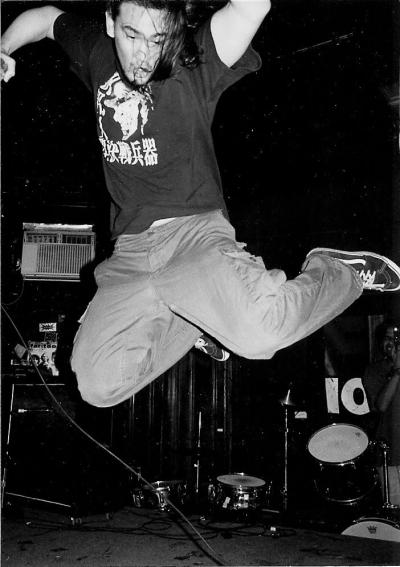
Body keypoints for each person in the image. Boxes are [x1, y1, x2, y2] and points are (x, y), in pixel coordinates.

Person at [2, 0, 400, 409]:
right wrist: (4, 47)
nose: (143, 55)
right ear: (110, 23)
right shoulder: (94, 50)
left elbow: (250, 9)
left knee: (261, 335)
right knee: (97, 385)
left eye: (158, 39)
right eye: (132, 35)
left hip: (193, 239)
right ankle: (193, 318)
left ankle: (338, 272)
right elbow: (46, 19)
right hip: (130, 255)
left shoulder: (194, 62)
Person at [363, 321, 400, 506]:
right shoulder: (374, 370)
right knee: (395, 511)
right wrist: (398, 371)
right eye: (387, 338)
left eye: (396, 339)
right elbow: (381, 405)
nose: (391, 343)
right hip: (391, 455)